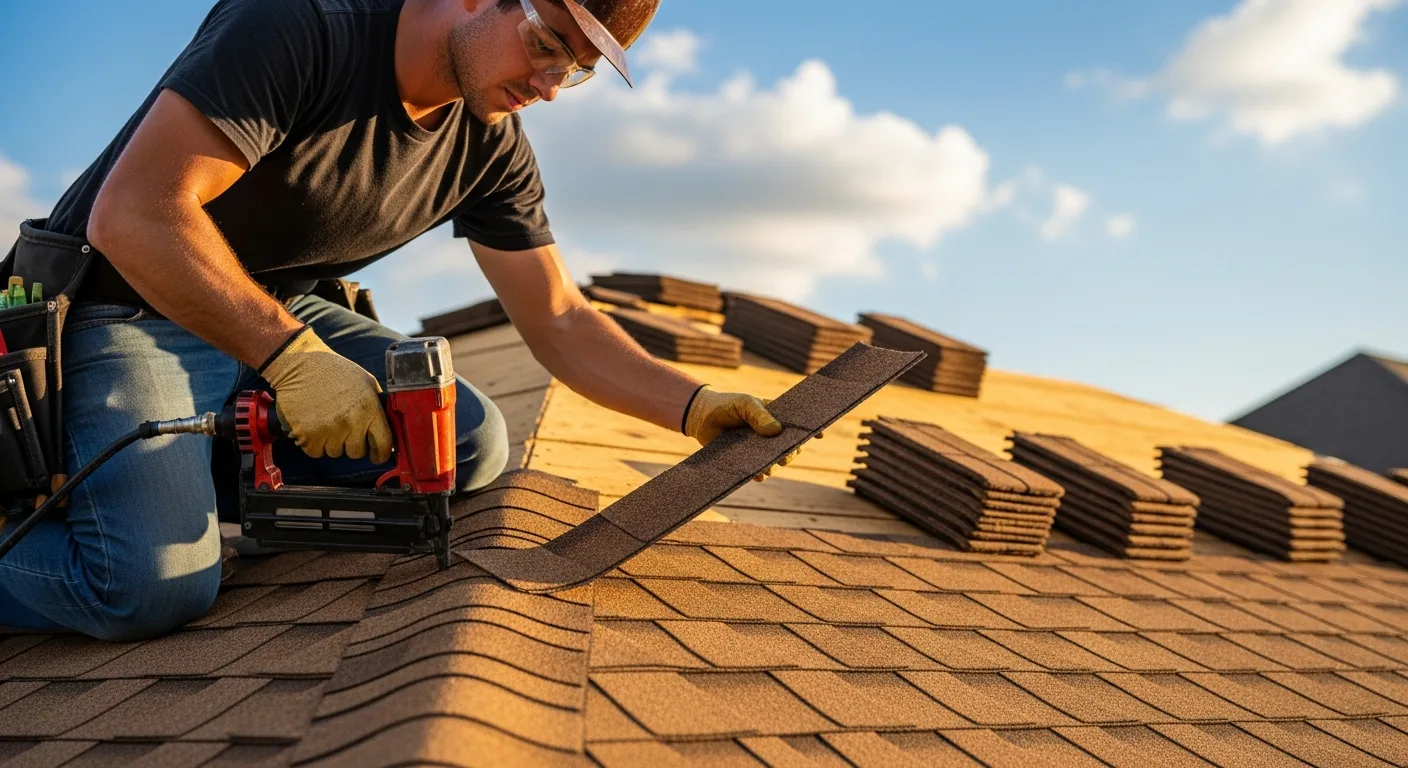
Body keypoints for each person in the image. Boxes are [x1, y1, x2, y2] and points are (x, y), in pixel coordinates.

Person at [0, 0, 801, 641]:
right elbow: (135, 216)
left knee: (464, 444)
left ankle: (178, 486)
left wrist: (691, 407)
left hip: (276, 311)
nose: (551, 85)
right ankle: (136, 504)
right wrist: (294, 361)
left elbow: (557, 318)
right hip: (130, 302)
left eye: (578, 71)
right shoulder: (301, 27)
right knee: (144, 590)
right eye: (548, 44)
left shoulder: (489, 144)